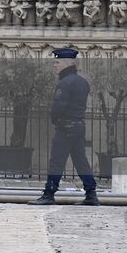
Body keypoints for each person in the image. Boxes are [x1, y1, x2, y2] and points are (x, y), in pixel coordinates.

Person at [31, 47, 99, 206]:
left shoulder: (65, 83)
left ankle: (49, 194)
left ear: (67, 63)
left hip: (65, 127)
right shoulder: (83, 82)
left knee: (56, 161)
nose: (54, 65)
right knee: (81, 161)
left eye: (57, 62)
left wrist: (54, 119)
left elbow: (58, 107)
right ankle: (91, 193)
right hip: (79, 126)